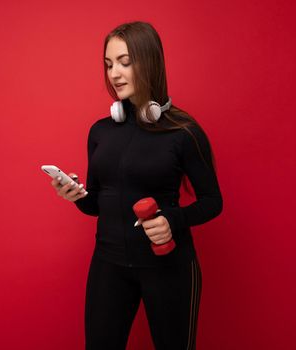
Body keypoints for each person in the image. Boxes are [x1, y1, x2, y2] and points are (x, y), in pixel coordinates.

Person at [49, 21, 223, 350]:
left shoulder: (183, 132)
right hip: (109, 265)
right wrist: (75, 195)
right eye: (109, 64)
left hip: (168, 267)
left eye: (125, 62)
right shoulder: (100, 131)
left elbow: (213, 201)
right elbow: (96, 204)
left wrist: (173, 219)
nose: (114, 73)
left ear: (149, 62)